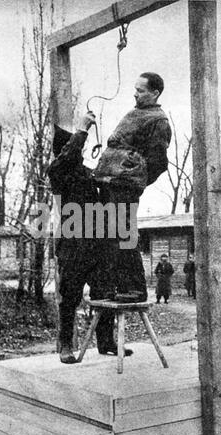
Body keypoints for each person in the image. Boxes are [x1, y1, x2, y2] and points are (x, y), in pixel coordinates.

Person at [48, 112, 133, 364]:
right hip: (73, 246)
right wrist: (82, 131)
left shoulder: (87, 173)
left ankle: (105, 341)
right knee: (70, 296)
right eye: (72, 146)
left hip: (97, 245)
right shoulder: (57, 171)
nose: (78, 148)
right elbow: (66, 159)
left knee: (104, 293)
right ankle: (65, 345)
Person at [93, 72, 172, 299]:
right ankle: (118, 287)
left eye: (141, 90)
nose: (135, 94)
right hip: (111, 182)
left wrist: (135, 180)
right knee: (109, 236)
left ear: (155, 93)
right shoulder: (137, 113)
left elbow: (158, 163)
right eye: (135, 89)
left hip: (124, 186)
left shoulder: (158, 121)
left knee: (124, 234)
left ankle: (136, 289)